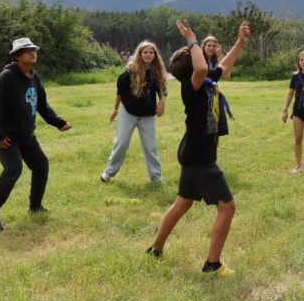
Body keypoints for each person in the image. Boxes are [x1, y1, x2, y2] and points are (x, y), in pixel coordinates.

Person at [146, 19, 249, 276]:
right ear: (192, 68)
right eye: (197, 56)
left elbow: (222, 65)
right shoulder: (190, 87)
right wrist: (191, 39)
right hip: (200, 159)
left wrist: (240, 42)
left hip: (191, 154)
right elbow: (202, 67)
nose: (203, 57)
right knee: (227, 207)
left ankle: (155, 248)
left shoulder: (205, 84)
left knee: (182, 204)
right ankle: (212, 264)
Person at [0, 37, 71, 231]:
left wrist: (58, 122)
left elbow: (41, 105)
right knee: (13, 169)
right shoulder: (6, 77)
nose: (32, 52)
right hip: (8, 138)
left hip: (27, 136)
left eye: (33, 49)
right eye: (27, 50)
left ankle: (35, 207)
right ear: (16, 56)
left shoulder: (33, 76)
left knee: (41, 165)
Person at [101, 40, 167, 184]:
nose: (148, 55)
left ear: (155, 55)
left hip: (147, 115)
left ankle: (156, 178)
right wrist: (115, 109)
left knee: (150, 147)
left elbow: (162, 88)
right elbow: (120, 91)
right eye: (145, 52)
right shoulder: (131, 70)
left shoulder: (157, 71)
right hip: (129, 112)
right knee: (121, 143)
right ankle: (109, 172)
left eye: (151, 52)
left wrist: (162, 102)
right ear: (140, 54)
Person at [201, 35, 231, 136]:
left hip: (213, 96)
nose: (211, 48)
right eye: (209, 45)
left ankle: (212, 148)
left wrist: (220, 55)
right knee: (202, 128)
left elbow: (227, 75)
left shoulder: (217, 60)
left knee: (215, 129)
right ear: (204, 46)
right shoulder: (199, 59)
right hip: (201, 95)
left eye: (214, 46)